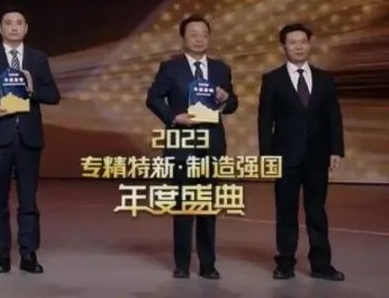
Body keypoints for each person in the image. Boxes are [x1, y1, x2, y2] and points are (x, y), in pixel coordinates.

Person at [0, 8, 60, 274]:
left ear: (26, 28)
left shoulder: (38, 59)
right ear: (0, 29)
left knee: (28, 200)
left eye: (19, 23)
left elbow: (53, 96)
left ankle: (28, 254)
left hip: (28, 137)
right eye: (8, 23)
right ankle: (2, 255)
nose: (14, 27)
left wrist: (32, 90)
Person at [145, 14, 238, 280]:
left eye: (203, 34)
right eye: (193, 34)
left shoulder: (221, 69)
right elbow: (153, 98)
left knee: (208, 206)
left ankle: (208, 264)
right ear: (183, 38)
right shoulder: (170, 67)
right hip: (182, 143)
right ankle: (182, 263)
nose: (199, 39)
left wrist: (226, 99)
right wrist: (174, 118)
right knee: (184, 205)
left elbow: (232, 104)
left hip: (212, 144)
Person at [257, 23, 345, 281]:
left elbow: (333, 116)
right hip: (285, 157)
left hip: (317, 156)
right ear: (283, 47)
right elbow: (265, 120)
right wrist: (266, 156)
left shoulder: (325, 79)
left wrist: (336, 149)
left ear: (309, 44)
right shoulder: (272, 79)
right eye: (292, 42)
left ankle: (321, 265)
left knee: (316, 211)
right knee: (286, 211)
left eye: (303, 41)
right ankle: (285, 263)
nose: (298, 46)